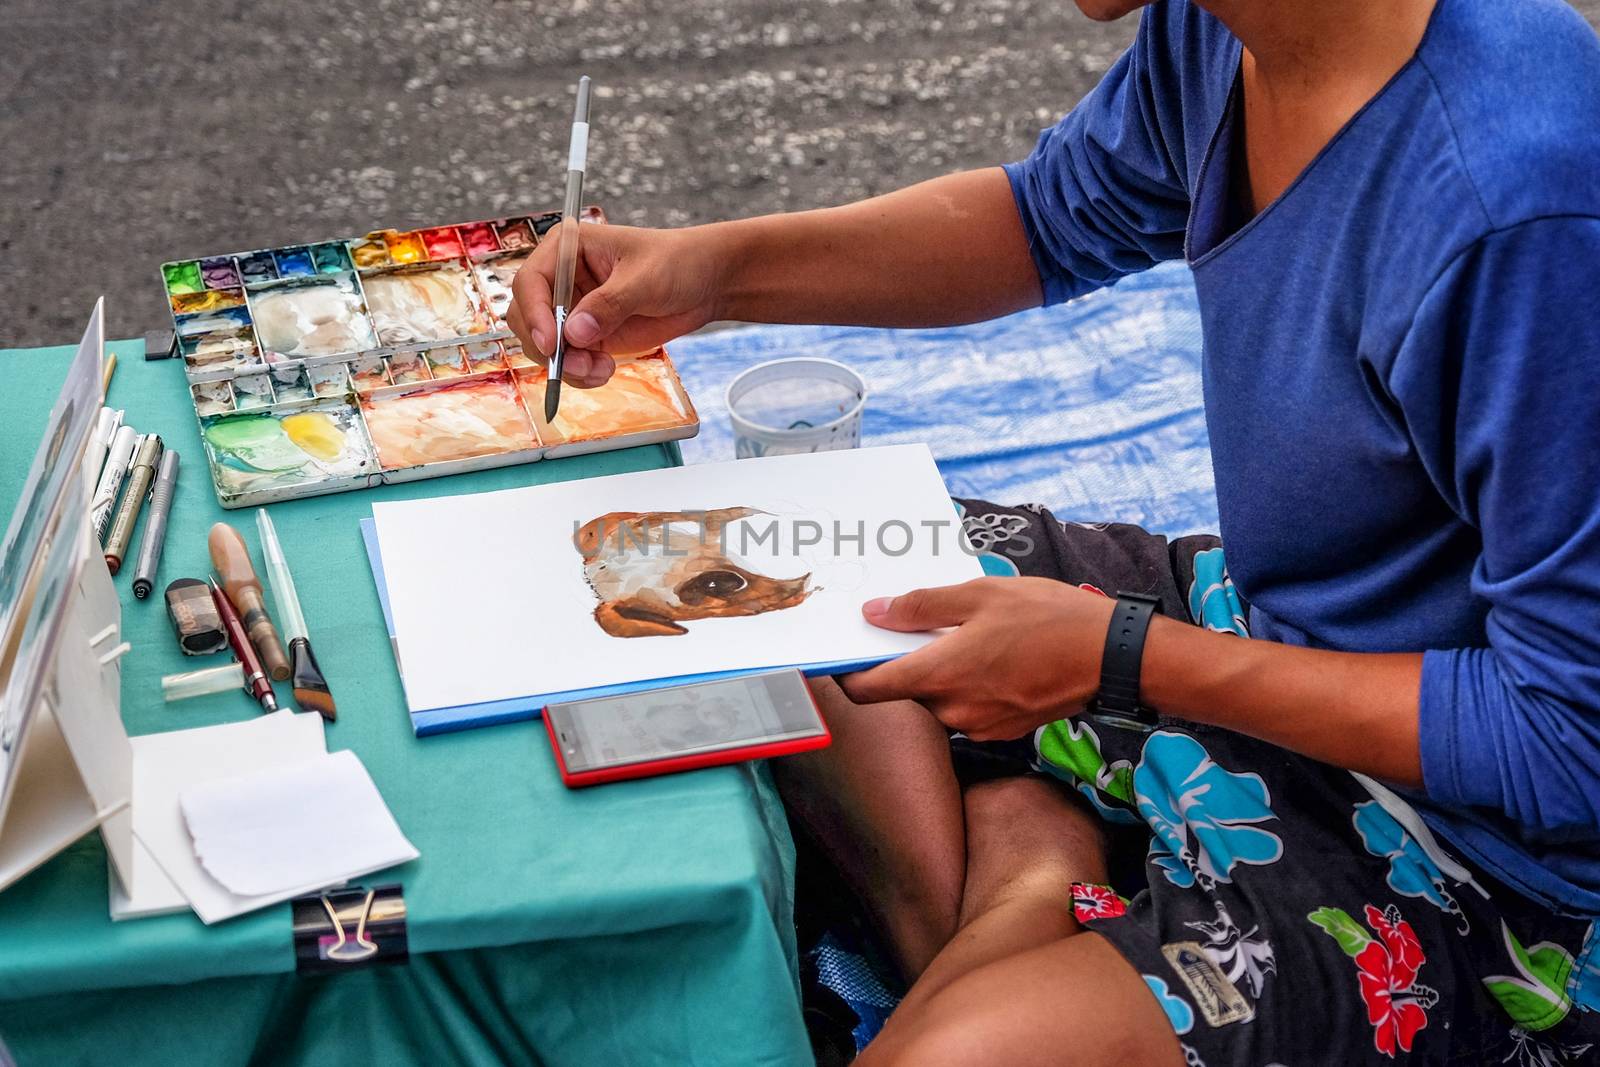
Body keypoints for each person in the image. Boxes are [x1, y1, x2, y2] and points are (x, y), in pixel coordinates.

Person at [506, 0, 1600, 1061]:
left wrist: (1125, 659)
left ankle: (1016, 883)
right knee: (776, 567)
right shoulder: (1228, 27)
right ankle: (1017, 889)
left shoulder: (1521, 207)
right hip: (1268, 632)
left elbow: (1568, 746)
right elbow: (1048, 217)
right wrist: (718, 270)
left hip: (1491, 864)